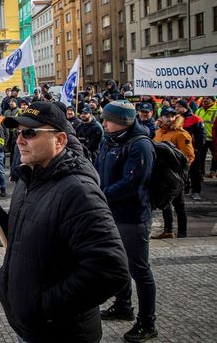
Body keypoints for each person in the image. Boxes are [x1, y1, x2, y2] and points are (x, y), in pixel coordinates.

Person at [0, 101, 129, 343]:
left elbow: (110, 270)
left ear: (60, 140)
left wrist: (45, 307)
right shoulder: (29, 178)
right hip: (31, 328)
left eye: (30, 133)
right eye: (18, 133)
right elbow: (19, 238)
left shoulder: (78, 191)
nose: (19, 140)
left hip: (61, 333)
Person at [95, 100, 158, 342]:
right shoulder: (109, 139)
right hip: (111, 212)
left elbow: (133, 183)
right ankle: (123, 305)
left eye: (108, 119)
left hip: (133, 216)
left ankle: (147, 322)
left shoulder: (140, 145)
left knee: (139, 270)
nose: (104, 123)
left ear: (122, 121)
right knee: (118, 262)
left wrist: (101, 194)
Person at [152, 107, 194, 239]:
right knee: (166, 203)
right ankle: (168, 230)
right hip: (162, 175)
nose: (169, 118)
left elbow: (188, 156)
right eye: (166, 116)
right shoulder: (158, 132)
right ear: (161, 117)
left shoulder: (181, 134)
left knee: (179, 205)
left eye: (172, 116)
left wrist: (180, 174)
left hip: (176, 176)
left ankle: (182, 233)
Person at [174, 99, 205, 200]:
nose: (176, 108)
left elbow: (201, 136)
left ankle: (196, 191)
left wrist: (196, 149)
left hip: (192, 150)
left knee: (194, 171)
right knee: (181, 171)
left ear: (184, 107)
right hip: (178, 150)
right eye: (175, 107)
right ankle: (185, 188)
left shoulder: (196, 119)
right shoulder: (175, 118)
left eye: (178, 106)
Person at [195, 96, 217, 184]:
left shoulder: (215, 110)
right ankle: (201, 173)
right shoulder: (199, 110)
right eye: (204, 98)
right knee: (200, 156)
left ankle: (213, 171)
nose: (205, 100)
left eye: (208, 98)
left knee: (215, 156)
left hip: (213, 138)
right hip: (202, 137)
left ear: (213, 100)